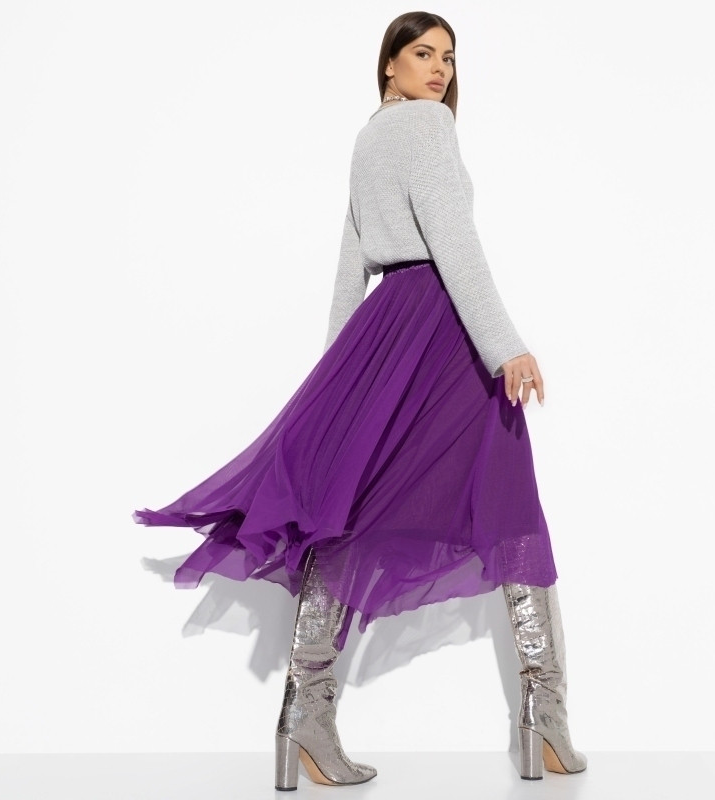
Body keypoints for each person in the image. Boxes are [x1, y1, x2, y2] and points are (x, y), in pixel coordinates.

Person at [133, 10, 587, 790]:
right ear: (389, 65)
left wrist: (340, 379)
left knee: (349, 514)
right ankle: (544, 718)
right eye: (423, 53)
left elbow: (351, 262)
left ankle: (303, 717)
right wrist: (504, 344)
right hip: (443, 331)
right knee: (512, 509)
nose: (439, 69)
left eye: (449, 57)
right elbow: (454, 240)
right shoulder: (427, 127)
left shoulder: (368, 138)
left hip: (385, 333)